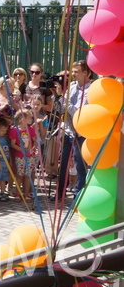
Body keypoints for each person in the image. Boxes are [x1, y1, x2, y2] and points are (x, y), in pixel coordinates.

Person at [54, 60, 93, 202]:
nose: (73, 74)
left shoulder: (90, 90)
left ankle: (78, 196)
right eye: (73, 71)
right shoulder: (71, 86)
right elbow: (60, 109)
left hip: (81, 133)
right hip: (68, 131)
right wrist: (58, 96)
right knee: (63, 164)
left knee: (80, 165)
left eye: (76, 72)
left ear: (86, 73)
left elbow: (78, 112)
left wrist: (64, 100)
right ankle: (60, 193)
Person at [10, 109, 39, 201]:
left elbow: (35, 140)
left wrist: (34, 147)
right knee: (19, 175)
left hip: (30, 156)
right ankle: (18, 193)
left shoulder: (31, 129)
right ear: (22, 118)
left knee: (28, 175)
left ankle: (26, 194)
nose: (32, 119)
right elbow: (13, 144)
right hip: (20, 157)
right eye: (30, 117)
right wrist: (22, 150)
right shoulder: (14, 130)